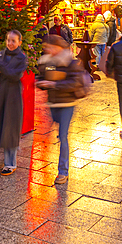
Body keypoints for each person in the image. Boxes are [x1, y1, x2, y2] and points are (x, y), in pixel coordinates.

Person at [36, 35, 85, 185]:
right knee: (56, 135)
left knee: (63, 136)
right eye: (46, 48)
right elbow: (44, 78)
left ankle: (63, 172)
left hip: (67, 104)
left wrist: (54, 85)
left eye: (50, 47)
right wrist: (42, 83)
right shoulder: (49, 62)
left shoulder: (70, 62)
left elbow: (74, 83)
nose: (48, 50)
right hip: (52, 104)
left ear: (59, 47)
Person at [0, 30, 28, 175]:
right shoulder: (2, 54)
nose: (10, 43)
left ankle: (10, 164)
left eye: (13, 41)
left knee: (11, 128)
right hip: (2, 95)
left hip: (13, 97)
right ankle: (7, 161)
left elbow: (14, 75)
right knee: (4, 127)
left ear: (19, 42)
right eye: (8, 40)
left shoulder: (21, 58)